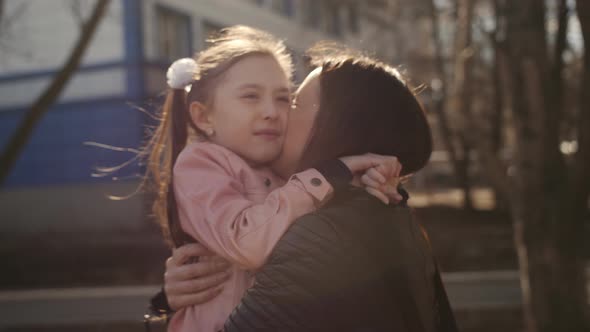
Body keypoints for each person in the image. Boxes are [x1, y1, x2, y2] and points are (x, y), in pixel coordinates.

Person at [163, 45, 458, 332]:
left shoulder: (327, 231)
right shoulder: (343, 208)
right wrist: (169, 302)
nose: (275, 114)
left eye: (289, 101)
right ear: (203, 116)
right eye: (251, 96)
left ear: (335, 127)